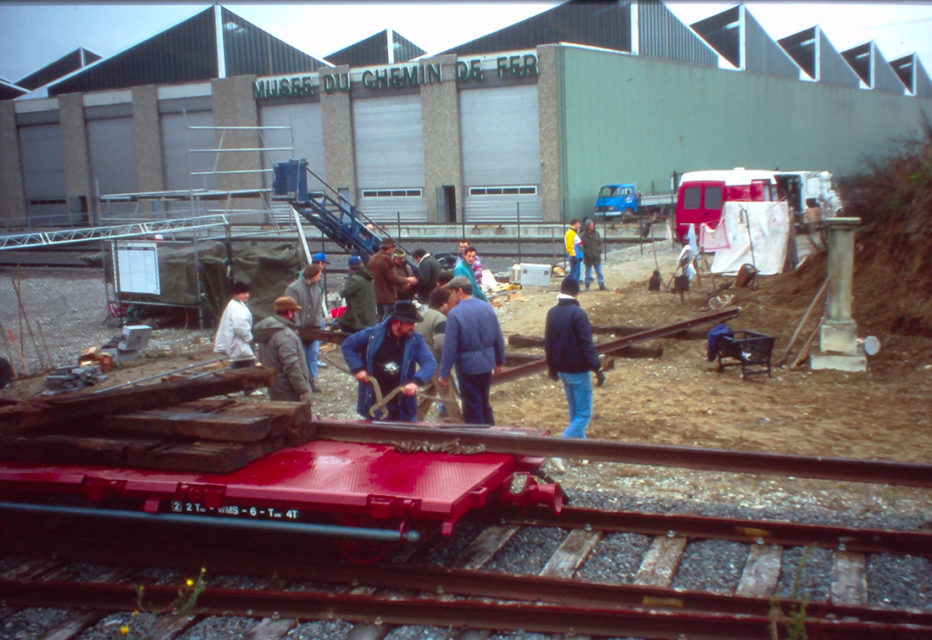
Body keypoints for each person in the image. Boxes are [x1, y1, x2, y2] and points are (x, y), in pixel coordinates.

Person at [341, 299, 437, 422]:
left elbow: (429, 363)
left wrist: (416, 382)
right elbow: (348, 346)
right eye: (410, 323)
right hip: (375, 402)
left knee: (406, 439)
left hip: (404, 404)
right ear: (397, 322)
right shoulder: (371, 335)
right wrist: (358, 369)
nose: (414, 327)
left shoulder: (415, 340)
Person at [545, 275, 604, 446]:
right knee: (584, 414)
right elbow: (586, 344)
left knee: (574, 411)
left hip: (561, 369)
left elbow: (548, 343)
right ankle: (559, 448)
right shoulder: (578, 314)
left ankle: (579, 449)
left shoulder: (552, 313)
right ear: (577, 293)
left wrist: (552, 368)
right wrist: (597, 367)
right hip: (578, 369)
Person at [438, 276, 505, 425]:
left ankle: (478, 437)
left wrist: (444, 373)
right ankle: (491, 431)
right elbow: (498, 336)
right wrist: (499, 360)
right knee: (484, 401)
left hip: (467, 366)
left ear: (459, 291)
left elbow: (450, 347)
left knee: (472, 405)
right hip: (487, 362)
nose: (451, 297)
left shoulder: (455, 314)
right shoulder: (487, 307)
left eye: (452, 293)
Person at [254, 296, 313, 404]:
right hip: (289, 391)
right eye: (295, 312)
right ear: (290, 313)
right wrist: (303, 390)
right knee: (294, 419)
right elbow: (291, 366)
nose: (296, 315)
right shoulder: (285, 335)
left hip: (275, 387)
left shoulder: (268, 331)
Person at [284, 264, 324, 392]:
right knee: (300, 358)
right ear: (312, 275)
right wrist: (297, 328)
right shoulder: (293, 289)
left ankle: (311, 382)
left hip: (312, 329)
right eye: (318, 275)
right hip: (298, 329)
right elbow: (290, 309)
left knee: (312, 355)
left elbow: (317, 309)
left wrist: (317, 327)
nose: (320, 278)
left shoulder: (317, 290)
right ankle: (302, 384)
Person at [368, 238, 418, 321]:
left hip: (376, 295)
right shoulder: (386, 260)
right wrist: (408, 280)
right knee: (388, 320)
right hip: (387, 296)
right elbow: (393, 278)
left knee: (380, 318)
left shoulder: (373, 258)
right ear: (391, 248)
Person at [213, 281, 255, 367]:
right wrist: (250, 339)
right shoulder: (236, 308)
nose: (247, 295)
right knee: (246, 366)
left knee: (240, 364)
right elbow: (240, 327)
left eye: (247, 292)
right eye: (243, 293)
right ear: (236, 294)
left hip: (238, 343)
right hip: (239, 343)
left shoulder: (237, 304)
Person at [338, 255, 377, 333]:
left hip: (359, 317)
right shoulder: (369, 277)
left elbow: (344, 293)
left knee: (343, 324)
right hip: (370, 318)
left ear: (351, 267)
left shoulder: (355, 280)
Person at [580, 219, 607, 291]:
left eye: (593, 225)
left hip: (596, 256)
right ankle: (587, 285)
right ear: (587, 226)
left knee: (599, 272)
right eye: (591, 225)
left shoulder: (597, 234)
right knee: (588, 272)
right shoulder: (582, 236)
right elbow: (581, 246)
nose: (593, 226)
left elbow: (600, 243)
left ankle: (601, 285)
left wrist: (599, 251)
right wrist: (584, 253)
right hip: (588, 257)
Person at [564, 219, 583, 283]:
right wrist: (573, 255)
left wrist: (581, 255)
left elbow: (580, 244)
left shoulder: (575, 233)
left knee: (577, 272)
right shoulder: (570, 233)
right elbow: (570, 246)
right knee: (574, 273)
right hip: (574, 255)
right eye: (578, 224)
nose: (579, 225)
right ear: (574, 224)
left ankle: (576, 286)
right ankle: (572, 287)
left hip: (578, 255)